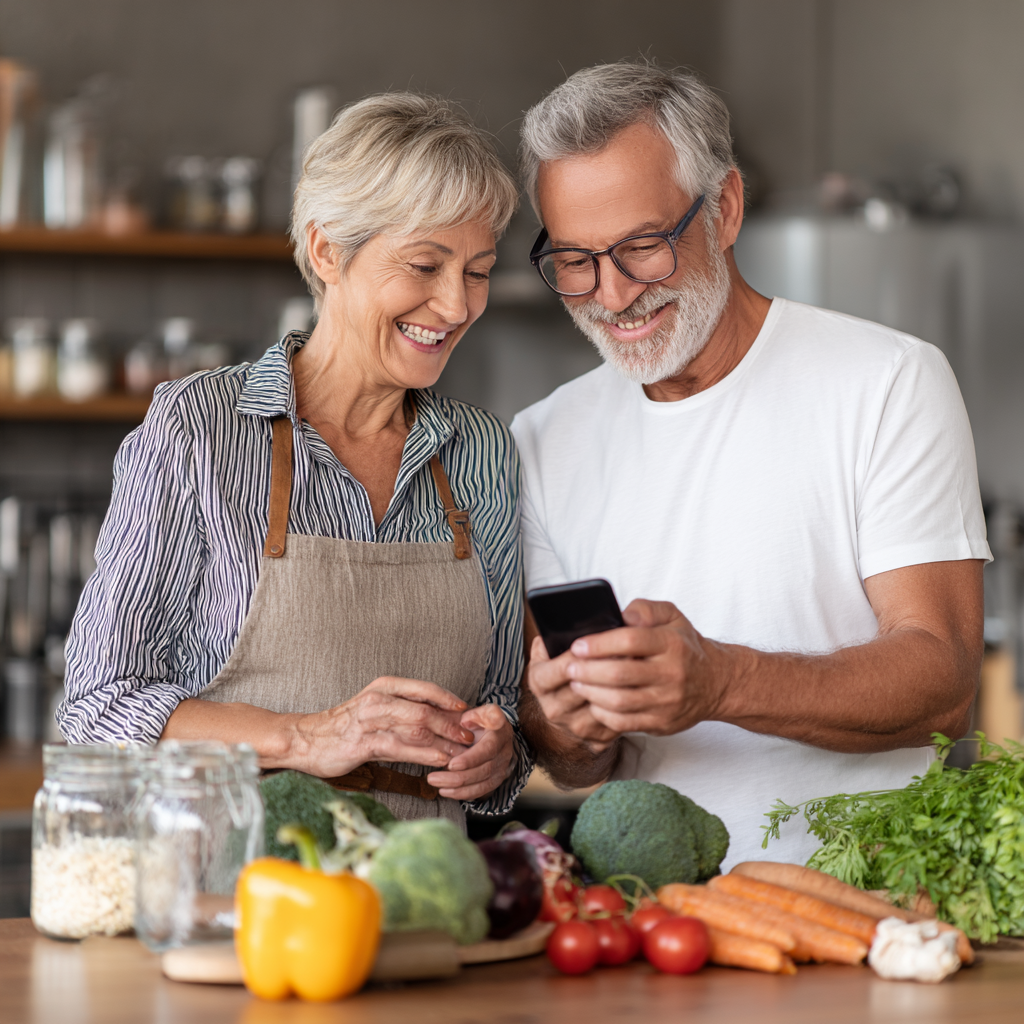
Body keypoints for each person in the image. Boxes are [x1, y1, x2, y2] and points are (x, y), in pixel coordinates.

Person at [511, 61, 990, 866]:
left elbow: (942, 682)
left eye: (641, 247)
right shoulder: (541, 438)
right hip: (657, 928)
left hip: (870, 906)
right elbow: (575, 761)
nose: (613, 295)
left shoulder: (887, 381)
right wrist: (565, 722)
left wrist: (722, 682)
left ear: (724, 209)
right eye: (576, 260)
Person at [60, 93, 529, 827]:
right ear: (326, 252)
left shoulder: (482, 452)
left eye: (477, 270)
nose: (455, 304)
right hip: (233, 899)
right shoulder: (200, 429)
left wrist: (500, 750)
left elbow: (503, 697)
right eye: (425, 265)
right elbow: (99, 706)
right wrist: (311, 737)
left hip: (423, 906)